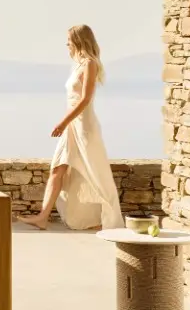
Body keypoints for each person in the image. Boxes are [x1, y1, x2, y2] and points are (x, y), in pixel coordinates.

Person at [21, 24, 123, 231]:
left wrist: (62, 122)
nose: (66, 44)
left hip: (84, 127)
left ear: (78, 40)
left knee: (95, 173)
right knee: (57, 169)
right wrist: (67, 125)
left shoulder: (90, 64)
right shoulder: (77, 65)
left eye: (69, 40)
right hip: (71, 127)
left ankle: (110, 217)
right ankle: (43, 216)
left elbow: (85, 99)